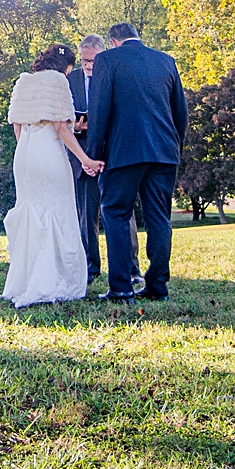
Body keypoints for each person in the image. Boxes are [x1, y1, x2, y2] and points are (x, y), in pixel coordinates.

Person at [86, 21, 188, 303]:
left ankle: (121, 288)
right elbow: (181, 111)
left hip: (123, 151)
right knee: (159, 218)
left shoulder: (107, 60)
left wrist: (94, 154)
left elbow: (99, 109)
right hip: (164, 152)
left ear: (113, 42)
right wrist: (174, 146)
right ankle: (158, 287)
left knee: (116, 213)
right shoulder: (166, 61)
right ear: (136, 37)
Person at [2, 45, 104, 307]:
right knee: (57, 211)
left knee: (31, 211)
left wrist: (28, 148)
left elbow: (18, 124)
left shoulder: (24, 81)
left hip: (24, 154)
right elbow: (60, 128)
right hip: (48, 154)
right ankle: (55, 279)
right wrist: (86, 160)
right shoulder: (58, 81)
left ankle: (24, 280)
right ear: (66, 66)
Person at [67, 35, 107, 283]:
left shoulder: (111, 75)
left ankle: (131, 267)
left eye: (92, 60)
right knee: (86, 216)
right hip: (80, 156)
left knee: (122, 215)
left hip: (109, 154)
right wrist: (76, 126)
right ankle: (91, 267)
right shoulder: (70, 80)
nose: (88, 65)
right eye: (84, 60)